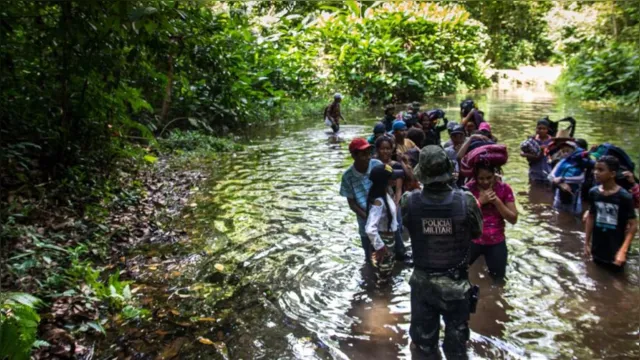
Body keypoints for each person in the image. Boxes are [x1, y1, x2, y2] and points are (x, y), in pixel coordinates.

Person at [402, 145, 483, 359]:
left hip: (422, 285)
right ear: (448, 171)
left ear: (422, 173)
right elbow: (477, 233)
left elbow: (403, 230)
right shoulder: (467, 201)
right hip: (456, 287)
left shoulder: (408, 201)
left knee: (423, 346)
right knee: (457, 349)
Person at [584, 156, 638, 272]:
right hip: (598, 244)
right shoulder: (594, 192)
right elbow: (591, 216)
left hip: (616, 245)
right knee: (596, 274)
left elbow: (633, 225)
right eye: (595, 169)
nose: (595, 173)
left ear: (612, 174)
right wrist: (586, 242)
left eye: (601, 170)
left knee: (618, 277)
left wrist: (622, 251)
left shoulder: (624, 196)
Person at [466, 163, 518, 280]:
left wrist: (497, 201)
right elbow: (462, 217)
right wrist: (480, 201)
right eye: (481, 178)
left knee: (498, 280)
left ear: (495, 175)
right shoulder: (469, 189)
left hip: (496, 241)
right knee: (459, 273)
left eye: (489, 177)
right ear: (475, 177)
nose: (485, 182)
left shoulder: (504, 189)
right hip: (473, 240)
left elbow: (513, 219)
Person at [340, 138, 383, 263]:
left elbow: (387, 187)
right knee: (369, 255)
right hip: (364, 219)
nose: (367, 157)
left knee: (390, 252)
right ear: (354, 156)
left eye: (368, 153)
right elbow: (352, 204)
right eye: (363, 154)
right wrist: (368, 217)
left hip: (383, 216)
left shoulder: (377, 165)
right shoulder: (347, 176)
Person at [365, 164, 403, 277]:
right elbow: (369, 229)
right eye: (392, 177)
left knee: (386, 269)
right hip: (384, 240)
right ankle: (382, 293)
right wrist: (380, 246)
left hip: (388, 238)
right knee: (384, 272)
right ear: (384, 181)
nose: (395, 179)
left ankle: (383, 292)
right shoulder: (379, 201)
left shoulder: (385, 194)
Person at [548, 141, 589, 216]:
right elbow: (550, 176)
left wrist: (563, 179)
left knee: (574, 215)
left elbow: (581, 178)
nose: (565, 153)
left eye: (568, 151)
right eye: (563, 151)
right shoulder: (561, 162)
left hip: (574, 195)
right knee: (557, 213)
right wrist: (560, 183)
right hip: (559, 194)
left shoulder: (581, 163)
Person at [520, 118, 554, 184]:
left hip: (549, 171)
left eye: (544, 129)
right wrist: (526, 155)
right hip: (534, 172)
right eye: (539, 128)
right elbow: (525, 153)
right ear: (536, 129)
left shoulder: (552, 141)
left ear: (547, 130)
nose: (541, 130)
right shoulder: (531, 140)